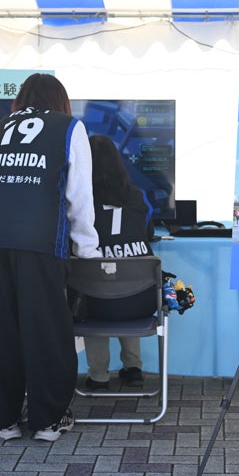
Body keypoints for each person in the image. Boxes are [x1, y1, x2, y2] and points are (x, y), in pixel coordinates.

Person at [0, 73, 101, 442]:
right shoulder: (69, 127)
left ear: (21, 99)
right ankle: (47, 420)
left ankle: (5, 419)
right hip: (40, 240)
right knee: (45, 330)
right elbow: (79, 196)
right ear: (60, 100)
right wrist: (87, 250)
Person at [82, 134, 157, 391]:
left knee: (90, 288)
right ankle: (133, 368)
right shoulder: (139, 196)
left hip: (94, 305)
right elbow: (148, 232)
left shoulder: (78, 201)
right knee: (128, 281)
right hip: (140, 303)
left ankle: (98, 375)